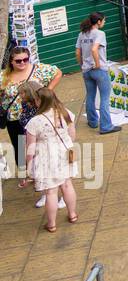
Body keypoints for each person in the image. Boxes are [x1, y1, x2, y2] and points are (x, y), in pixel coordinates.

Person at [3, 46, 63, 190]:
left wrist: (47, 92)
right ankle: (29, 174)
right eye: (18, 61)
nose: (23, 63)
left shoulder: (38, 69)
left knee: (39, 148)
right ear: (11, 61)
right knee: (21, 150)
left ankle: (44, 176)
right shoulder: (4, 76)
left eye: (25, 59)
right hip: (15, 120)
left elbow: (58, 73)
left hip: (36, 116)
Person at [24, 88, 78, 232]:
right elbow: (72, 135)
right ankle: (72, 215)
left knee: (51, 192)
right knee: (67, 185)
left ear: (39, 101)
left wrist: (28, 166)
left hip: (46, 157)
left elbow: (30, 147)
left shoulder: (35, 122)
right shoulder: (65, 112)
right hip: (65, 153)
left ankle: (52, 224)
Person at [76, 12, 120, 134]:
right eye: (103, 21)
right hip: (98, 70)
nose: (104, 23)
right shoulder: (100, 33)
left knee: (90, 95)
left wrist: (82, 65)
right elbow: (94, 49)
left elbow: (77, 53)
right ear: (98, 22)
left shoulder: (81, 34)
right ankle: (106, 126)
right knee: (105, 98)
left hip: (86, 70)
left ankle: (92, 121)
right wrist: (97, 63)